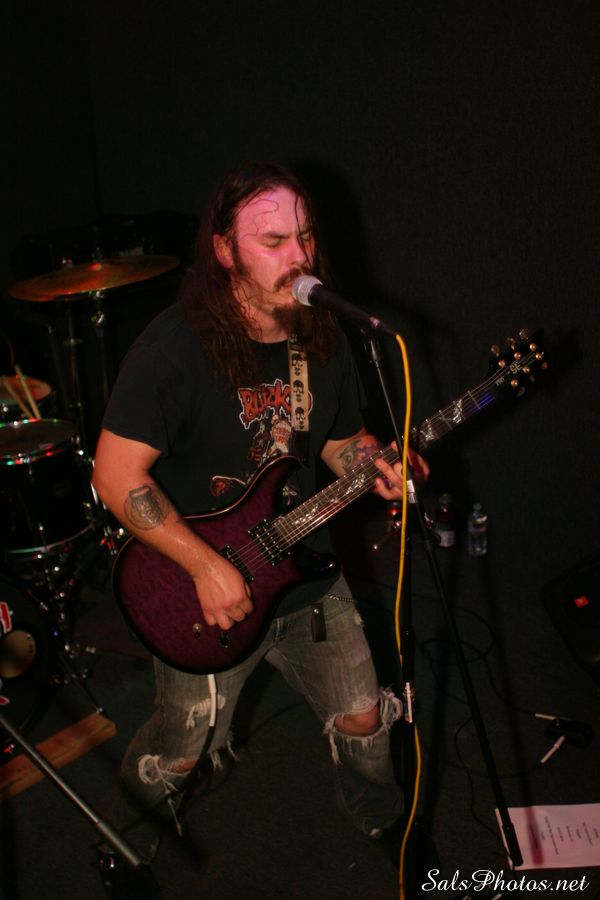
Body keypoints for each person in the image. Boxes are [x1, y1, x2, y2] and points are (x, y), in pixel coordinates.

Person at [92, 161, 425, 883]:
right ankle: (123, 841)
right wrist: (205, 566)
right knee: (180, 752)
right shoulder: (173, 349)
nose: (298, 256)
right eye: (272, 241)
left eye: (304, 236)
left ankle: (379, 819)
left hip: (305, 573)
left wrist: (374, 462)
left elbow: (339, 440)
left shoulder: (320, 335)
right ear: (224, 251)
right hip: (200, 586)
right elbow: (115, 478)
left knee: (366, 718)